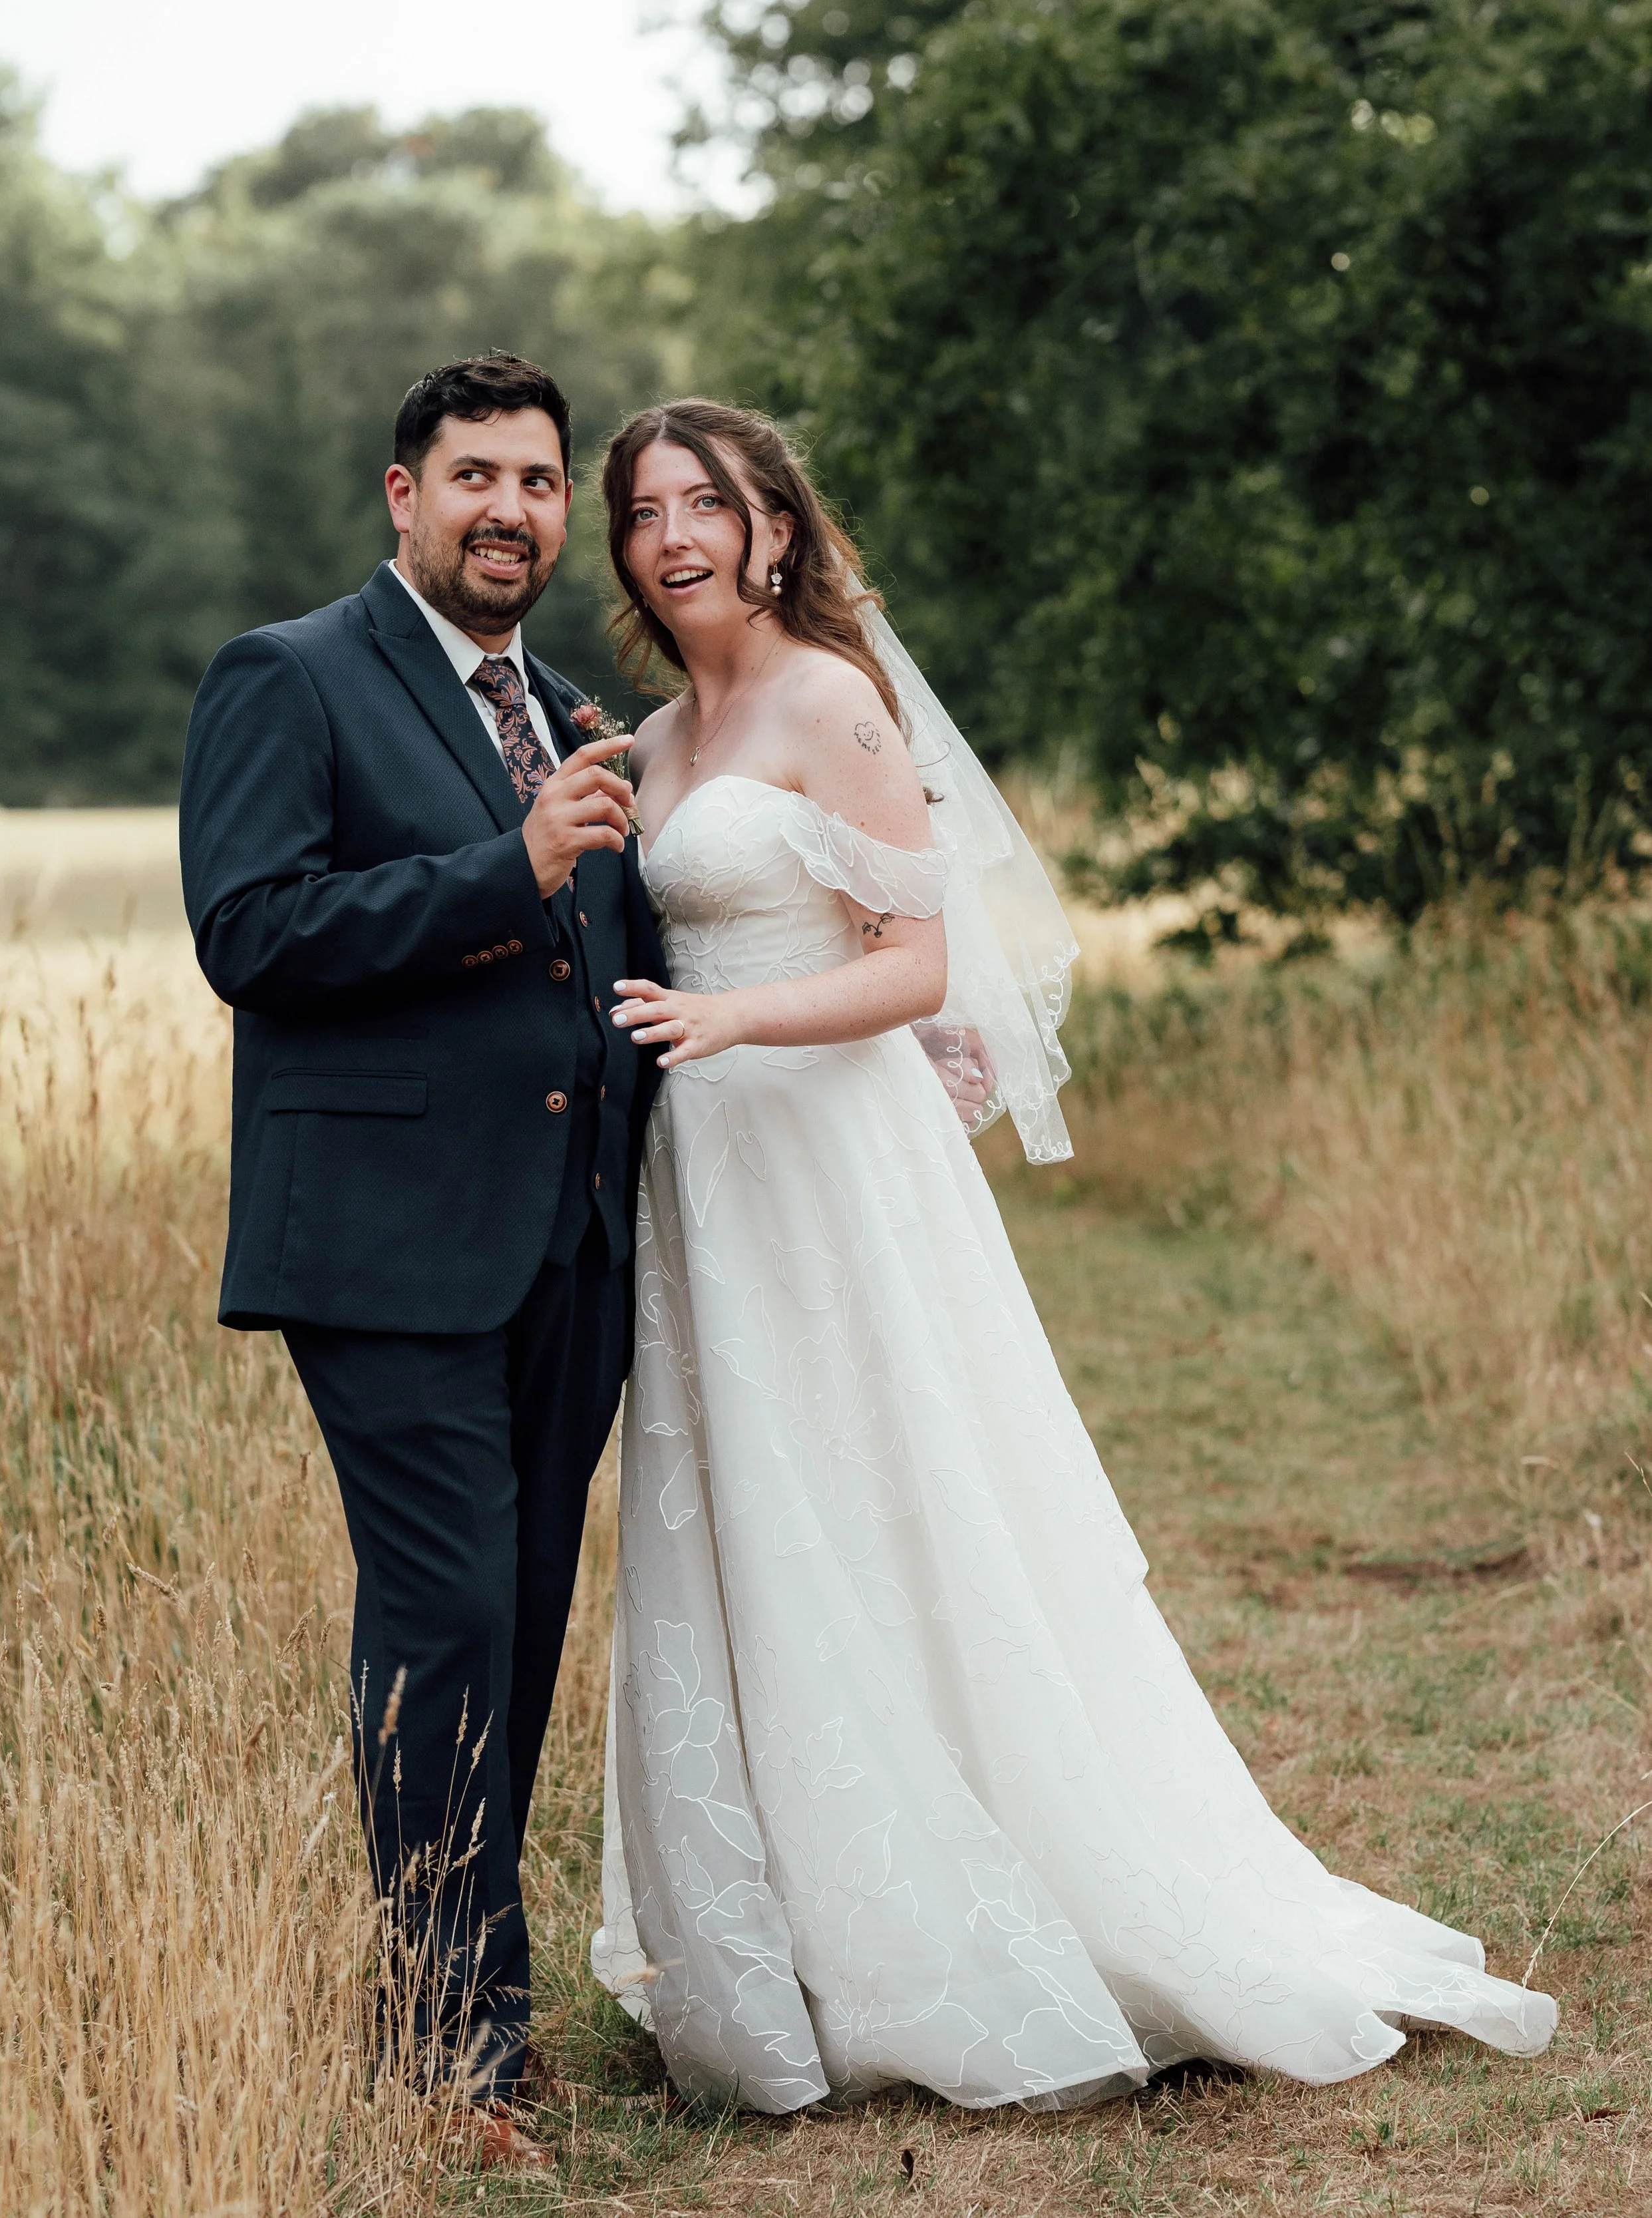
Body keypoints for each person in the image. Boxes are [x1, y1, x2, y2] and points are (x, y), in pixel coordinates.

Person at [589, 399, 1558, 2112]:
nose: (674, 535)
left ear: (775, 531)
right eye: (647, 507)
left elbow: (908, 963)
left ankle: (1013, 1913)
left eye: (706, 504)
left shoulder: (831, 699)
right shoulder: (657, 740)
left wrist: (734, 1014)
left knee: (896, 1494)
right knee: (760, 1515)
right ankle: (810, 1931)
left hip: (831, 1157)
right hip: (711, 1180)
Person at [180, 353, 664, 2171]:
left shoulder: (566, 701)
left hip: (566, 1245)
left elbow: (599, 973)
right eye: (475, 477)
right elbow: (252, 930)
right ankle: (436, 2060)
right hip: (381, 1248)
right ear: (403, 495)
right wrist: (504, 864)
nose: (510, 511)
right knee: (443, 1615)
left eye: (540, 483)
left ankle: (483, 2012)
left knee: (521, 1621)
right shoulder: (288, 675)